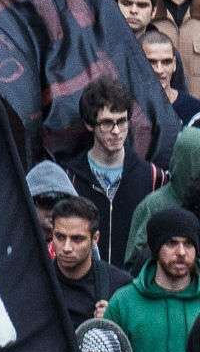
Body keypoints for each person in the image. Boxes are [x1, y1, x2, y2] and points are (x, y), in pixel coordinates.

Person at [69, 76, 168, 266]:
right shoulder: (70, 178)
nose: (116, 131)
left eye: (122, 121)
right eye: (107, 123)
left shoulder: (154, 178)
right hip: (87, 287)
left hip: (135, 289)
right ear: (90, 124)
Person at [109, 207, 200, 352]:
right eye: (172, 243)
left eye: (189, 244)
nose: (181, 252)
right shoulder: (124, 302)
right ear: (156, 247)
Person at [51, 195, 130, 327]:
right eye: (60, 237)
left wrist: (116, 325)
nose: (66, 248)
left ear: (95, 238)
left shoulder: (119, 287)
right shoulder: (35, 282)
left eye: (77, 239)